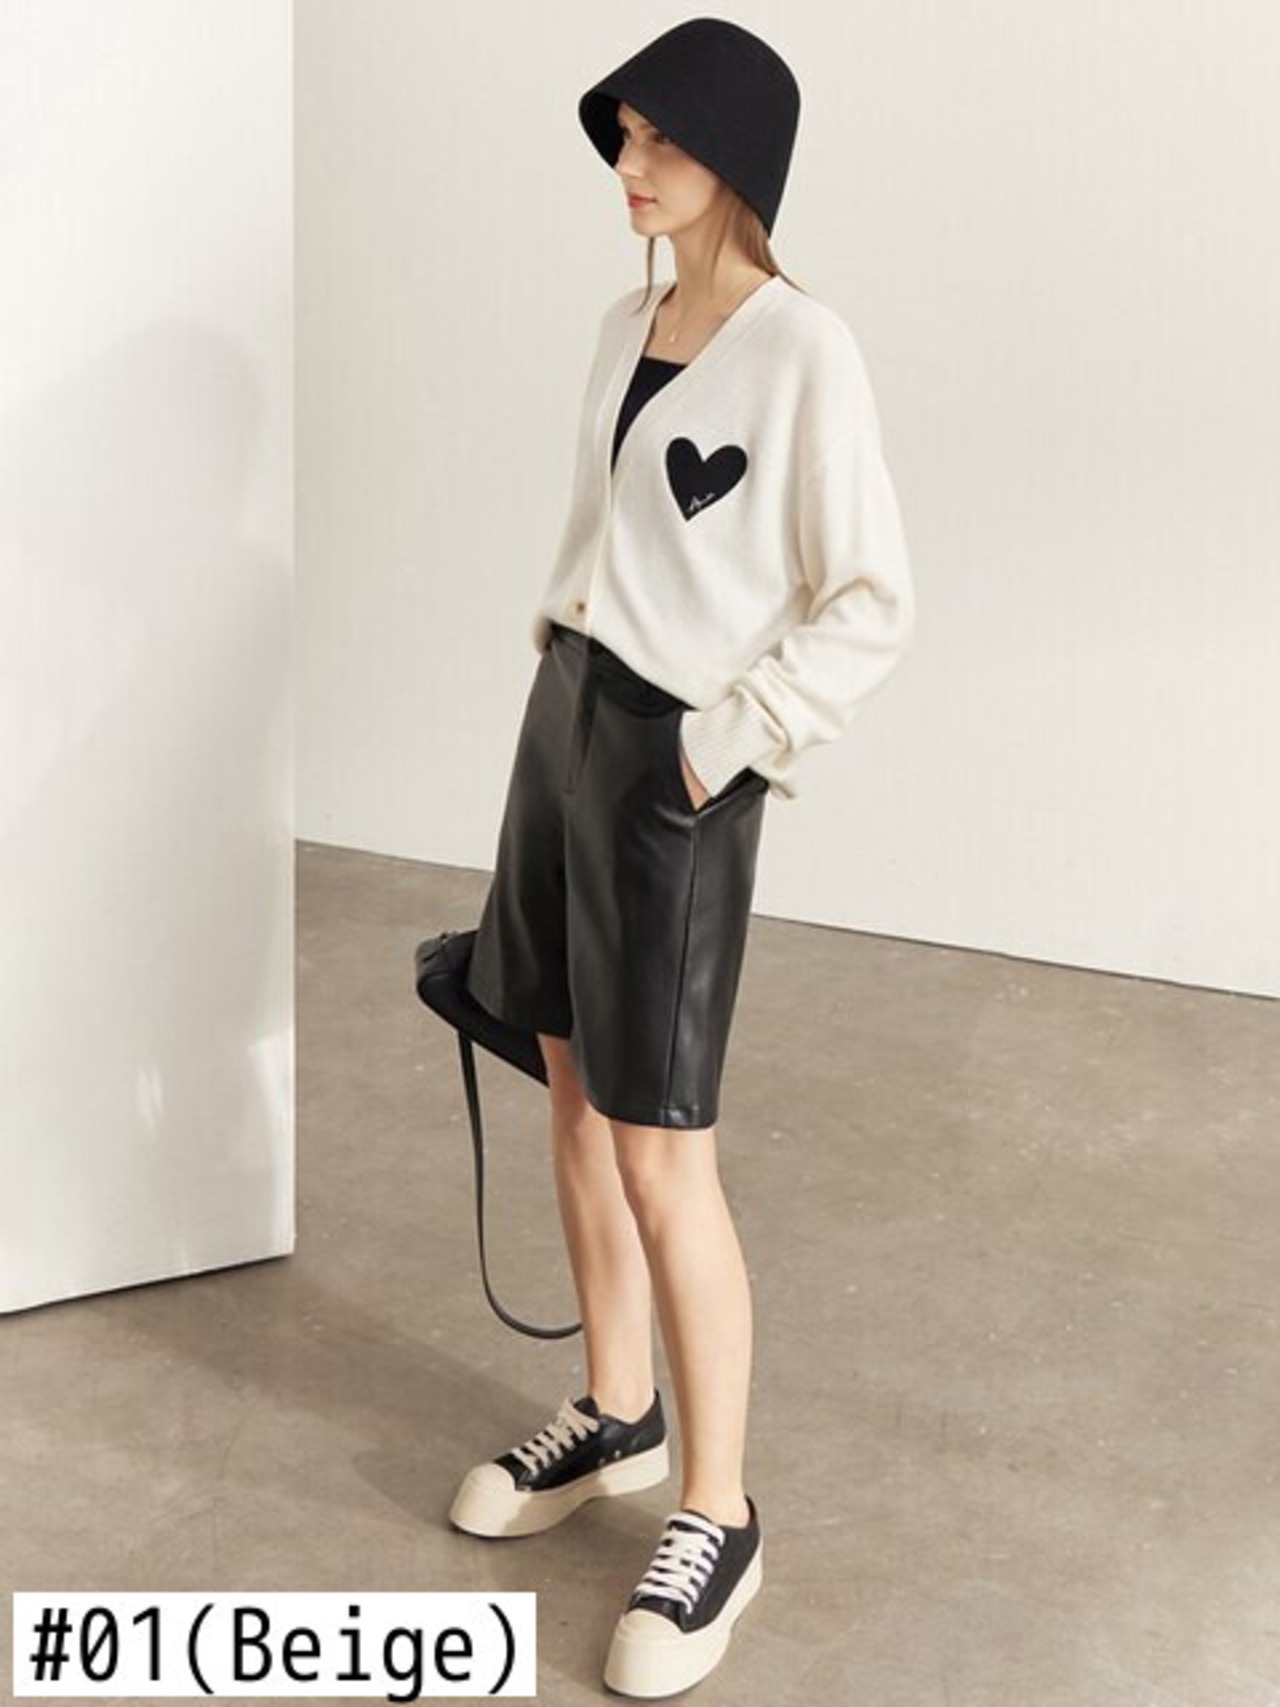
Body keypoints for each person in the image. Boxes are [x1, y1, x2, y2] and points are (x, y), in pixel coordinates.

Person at [450, 17, 916, 1697]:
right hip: (566, 726)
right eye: (625, 137)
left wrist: (725, 744)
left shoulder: (805, 353)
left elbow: (870, 600)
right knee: (572, 1093)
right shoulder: (624, 322)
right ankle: (618, 1408)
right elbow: (612, 536)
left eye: (663, 141)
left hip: (678, 769)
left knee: (665, 1150)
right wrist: (560, 667)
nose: (629, 168)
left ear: (741, 161)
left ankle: (719, 1512)